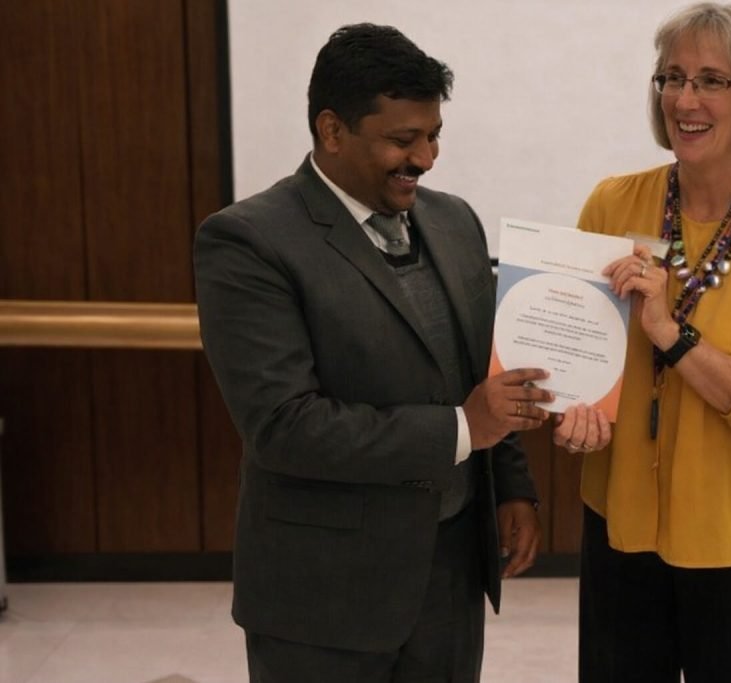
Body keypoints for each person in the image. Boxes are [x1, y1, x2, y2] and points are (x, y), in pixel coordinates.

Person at [194, 23, 552, 683]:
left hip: (449, 578)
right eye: (402, 140)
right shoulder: (247, 241)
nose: (427, 158)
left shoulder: (456, 222)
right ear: (332, 131)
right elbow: (284, 426)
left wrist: (514, 488)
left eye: (435, 134)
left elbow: (482, 370)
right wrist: (462, 427)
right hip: (322, 597)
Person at [552, 4, 731, 682]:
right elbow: (578, 360)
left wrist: (671, 334)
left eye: (712, 80)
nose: (685, 100)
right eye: (672, 78)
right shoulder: (611, 205)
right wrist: (571, 410)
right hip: (622, 519)